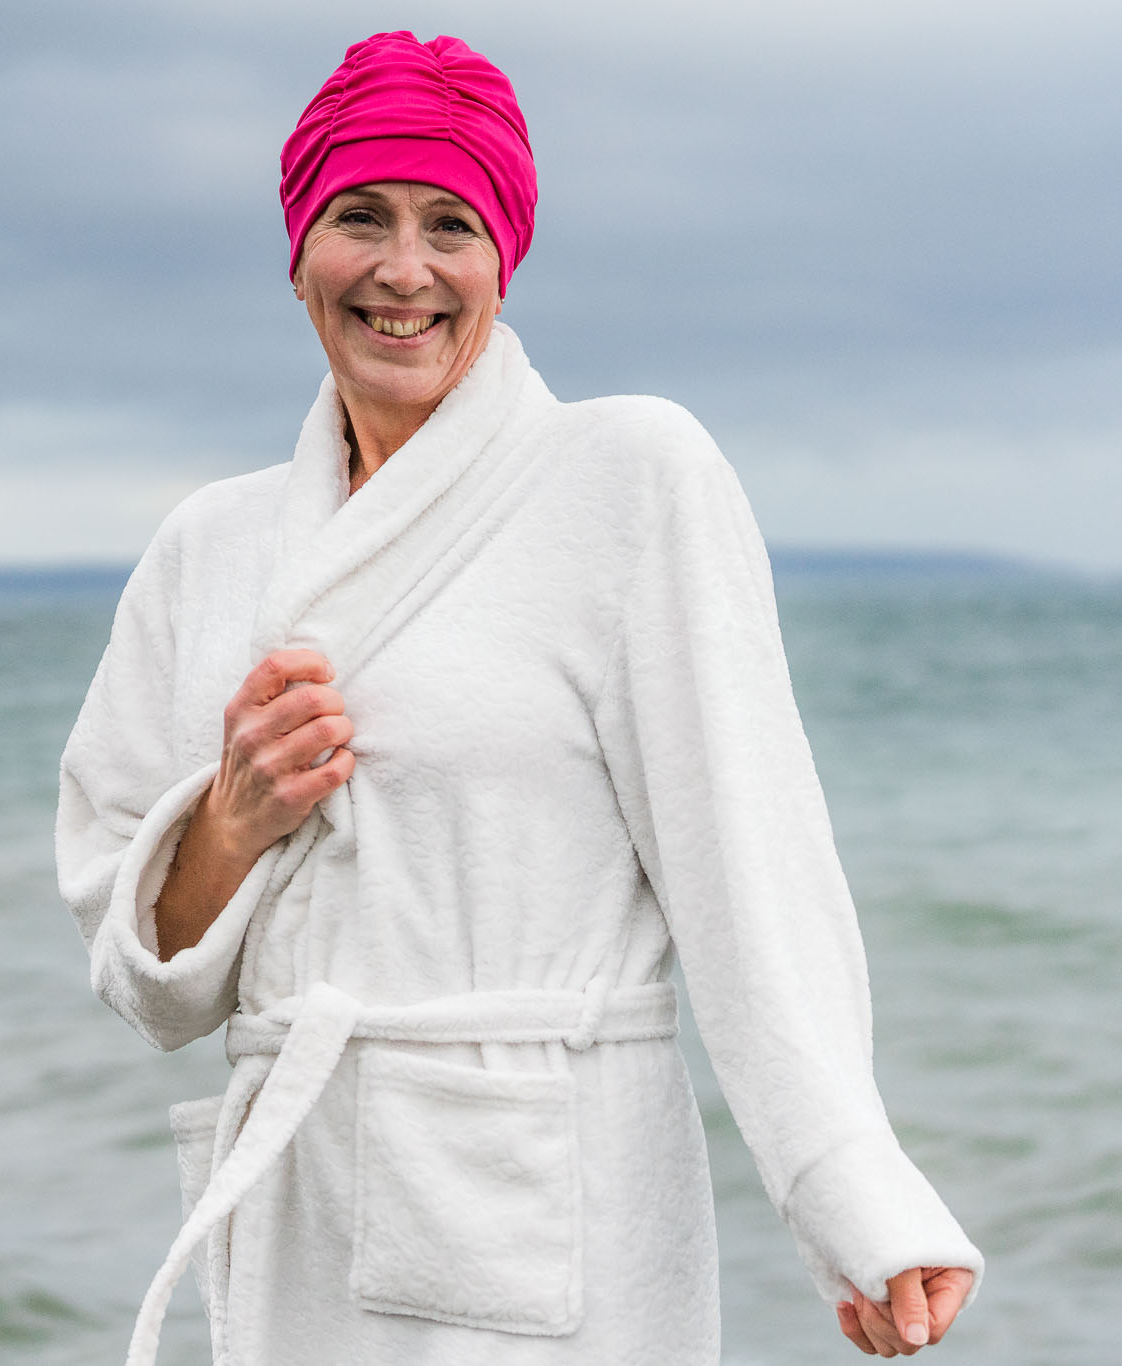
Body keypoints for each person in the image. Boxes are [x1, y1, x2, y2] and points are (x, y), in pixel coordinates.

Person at [55, 30, 982, 1366]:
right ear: (298, 250)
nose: (404, 267)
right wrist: (230, 819)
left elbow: (748, 856)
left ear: (506, 259)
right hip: (293, 1210)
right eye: (359, 216)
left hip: (546, 1209)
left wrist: (850, 1181)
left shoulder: (627, 475)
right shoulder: (209, 546)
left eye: (451, 224)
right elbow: (148, 982)